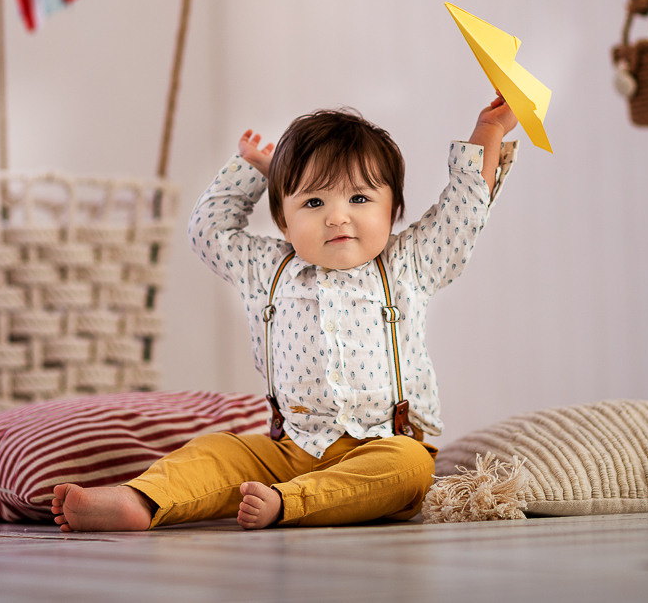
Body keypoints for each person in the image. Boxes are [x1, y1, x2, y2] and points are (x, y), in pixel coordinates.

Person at [51, 95, 518, 532]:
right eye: (313, 202)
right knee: (215, 450)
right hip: (290, 450)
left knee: (412, 469)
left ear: (393, 208)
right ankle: (141, 501)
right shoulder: (267, 269)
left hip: (382, 445)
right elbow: (207, 232)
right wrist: (254, 172)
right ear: (283, 220)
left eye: (359, 199)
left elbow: (463, 208)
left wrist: (489, 129)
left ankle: (292, 503)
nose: (337, 217)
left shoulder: (409, 263)